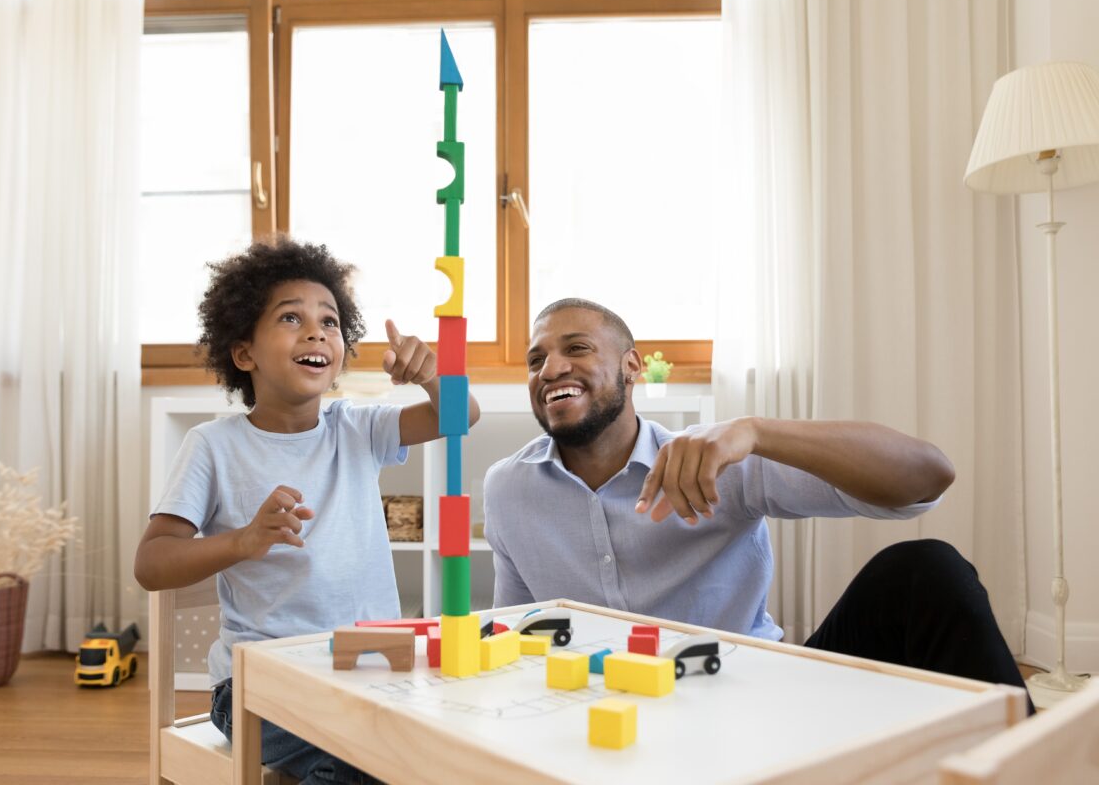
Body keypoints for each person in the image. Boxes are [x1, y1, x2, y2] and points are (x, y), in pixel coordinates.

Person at [483, 297, 1031, 712]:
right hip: (609, 719)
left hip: (759, 701)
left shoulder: (718, 457)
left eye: (576, 348)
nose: (550, 369)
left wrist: (756, 432)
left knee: (923, 569)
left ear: (631, 367)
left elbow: (929, 477)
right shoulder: (508, 489)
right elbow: (517, 632)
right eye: (536, 359)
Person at [134, 236, 480, 783]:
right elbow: (152, 564)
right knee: (365, 760)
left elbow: (462, 415)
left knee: (448, 744)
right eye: (291, 318)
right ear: (244, 352)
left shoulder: (357, 428)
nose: (317, 331)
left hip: (371, 669)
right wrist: (243, 541)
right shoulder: (212, 446)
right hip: (257, 687)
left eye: (331, 321)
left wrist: (431, 375)